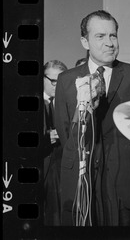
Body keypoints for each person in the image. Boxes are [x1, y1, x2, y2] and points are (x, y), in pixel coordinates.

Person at [55, 10, 130, 226]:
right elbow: (66, 133)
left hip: (124, 185)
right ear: (84, 42)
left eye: (113, 35)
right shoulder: (66, 80)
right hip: (81, 183)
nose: (109, 43)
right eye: (100, 36)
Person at [43, 60, 68, 225]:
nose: (56, 85)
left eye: (60, 81)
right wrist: (47, 138)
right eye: (52, 81)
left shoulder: (64, 103)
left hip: (60, 169)